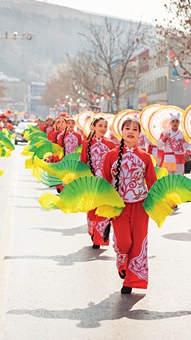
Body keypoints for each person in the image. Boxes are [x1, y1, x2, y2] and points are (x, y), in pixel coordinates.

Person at [102, 117, 157, 294]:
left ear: (139, 134)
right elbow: (104, 182)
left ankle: (130, 281)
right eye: (127, 128)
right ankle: (122, 261)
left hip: (141, 206)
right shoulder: (110, 156)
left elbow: (153, 184)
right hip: (119, 207)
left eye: (135, 129)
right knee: (124, 242)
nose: (131, 131)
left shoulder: (146, 158)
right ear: (121, 131)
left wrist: (162, 203)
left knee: (138, 243)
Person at [80, 117, 115, 249]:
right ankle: (93, 232)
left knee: (104, 211)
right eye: (100, 125)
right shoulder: (86, 144)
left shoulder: (111, 144)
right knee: (92, 212)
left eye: (105, 126)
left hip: (106, 184)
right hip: (92, 184)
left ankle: (99, 238)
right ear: (93, 127)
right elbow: (82, 164)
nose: (103, 128)